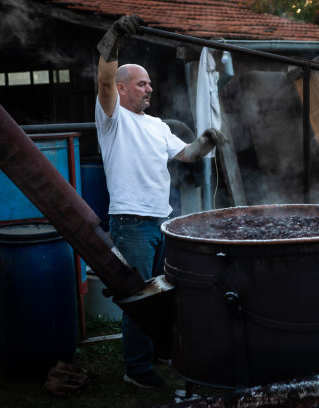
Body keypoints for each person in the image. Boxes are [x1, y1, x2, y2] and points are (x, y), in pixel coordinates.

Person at [95, 15, 219, 388]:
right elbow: (103, 77)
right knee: (139, 300)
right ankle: (137, 370)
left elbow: (186, 154)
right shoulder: (112, 117)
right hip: (130, 223)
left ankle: (158, 352)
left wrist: (207, 141)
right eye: (142, 83)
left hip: (163, 222)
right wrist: (112, 39)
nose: (150, 89)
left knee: (162, 295)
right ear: (122, 88)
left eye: (150, 83)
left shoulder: (157, 126)